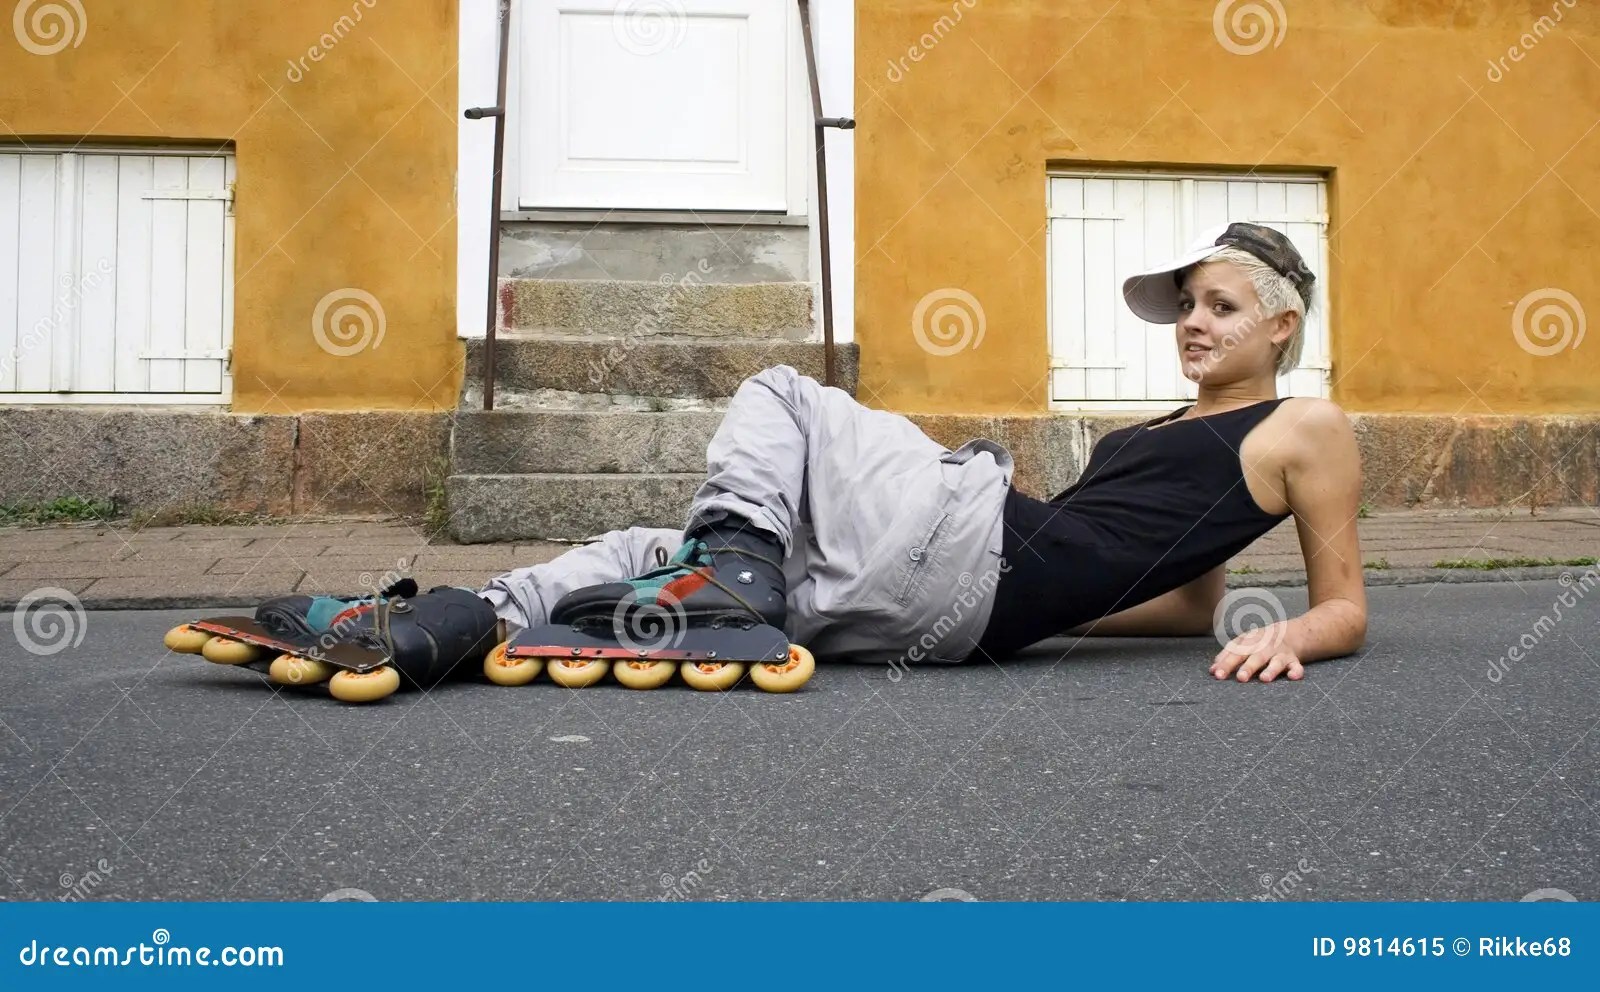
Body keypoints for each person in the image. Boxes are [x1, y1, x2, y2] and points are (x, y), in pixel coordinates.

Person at [478, 223, 1368, 684]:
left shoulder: (1305, 425)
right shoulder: (1160, 429)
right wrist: (1043, 605)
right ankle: (456, 622)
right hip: (963, 614)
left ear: (1281, 323)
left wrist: (1286, 634)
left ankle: (737, 578)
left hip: (971, 549)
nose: (1192, 325)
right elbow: (1180, 606)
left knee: (787, 394)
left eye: (1218, 305)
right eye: (1185, 307)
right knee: (658, 556)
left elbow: (1346, 609)